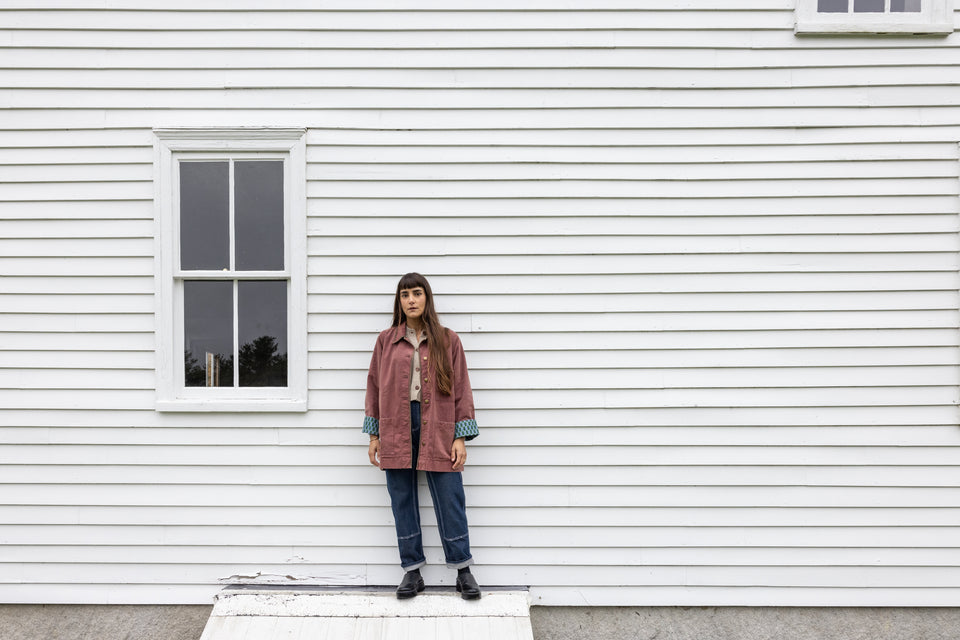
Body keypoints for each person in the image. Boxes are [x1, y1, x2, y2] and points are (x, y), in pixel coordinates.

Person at [363, 272, 481, 600]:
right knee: (402, 498)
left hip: (439, 422)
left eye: (417, 293)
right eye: (405, 295)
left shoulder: (448, 339)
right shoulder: (386, 341)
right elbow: (374, 386)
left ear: (427, 298)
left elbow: (462, 388)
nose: (411, 300)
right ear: (399, 301)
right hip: (396, 424)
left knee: (449, 495)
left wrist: (460, 436)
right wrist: (374, 434)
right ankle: (411, 571)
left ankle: (463, 569)